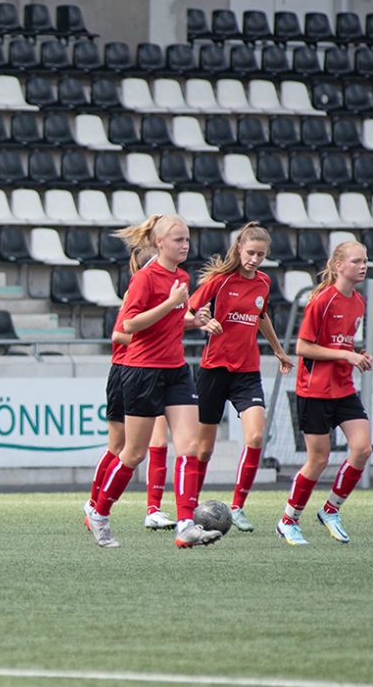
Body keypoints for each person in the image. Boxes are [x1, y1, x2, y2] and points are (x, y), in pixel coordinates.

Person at [84, 214, 222, 549]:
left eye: (187, 239)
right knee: (133, 454)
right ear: (159, 242)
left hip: (175, 369)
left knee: (189, 447)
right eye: (178, 239)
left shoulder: (183, 276)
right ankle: (100, 514)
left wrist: (192, 320)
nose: (185, 245)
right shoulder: (145, 279)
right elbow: (129, 326)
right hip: (141, 372)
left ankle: (186, 523)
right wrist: (172, 303)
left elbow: (169, 323)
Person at [187, 223, 294, 533]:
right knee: (204, 449)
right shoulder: (219, 281)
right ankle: (189, 506)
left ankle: (238, 507)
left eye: (261, 254)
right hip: (214, 370)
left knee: (256, 437)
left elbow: (261, 317)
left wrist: (278, 351)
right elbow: (189, 311)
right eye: (250, 253)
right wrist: (202, 323)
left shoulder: (263, 282)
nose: (255, 259)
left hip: (247, 371)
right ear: (238, 250)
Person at [277, 241, 373, 546]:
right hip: (314, 390)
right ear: (339, 266)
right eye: (357, 261)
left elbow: (340, 344)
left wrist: (356, 354)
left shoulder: (359, 301)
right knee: (318, 459)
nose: (363, 266)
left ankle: (331, 509)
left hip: (344, 388)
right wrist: (346, 356)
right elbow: (303, 347)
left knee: (362, 449)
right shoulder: (322, 300)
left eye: (366, 261)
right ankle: (288, 520)